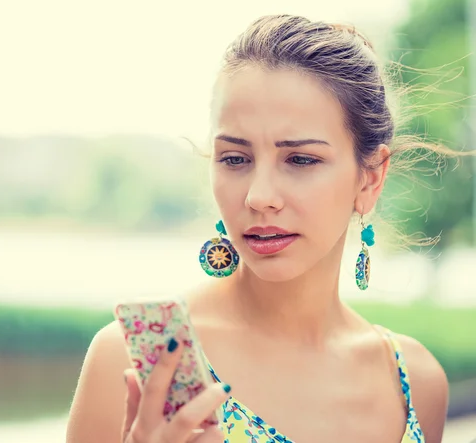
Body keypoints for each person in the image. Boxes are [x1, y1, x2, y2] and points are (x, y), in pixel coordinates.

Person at [67, 14, 454, 443]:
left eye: (300, 159)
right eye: (235, 158)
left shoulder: (416, 384)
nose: (258, 195)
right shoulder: (141, 361)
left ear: (370, 178)